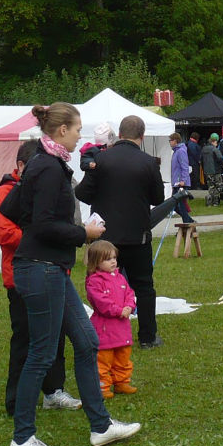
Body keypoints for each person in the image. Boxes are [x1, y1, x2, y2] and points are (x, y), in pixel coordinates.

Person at [6, 102, 139, 446]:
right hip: (41, 269)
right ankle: (22, 437)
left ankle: (101, 427)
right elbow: (45, 223)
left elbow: (13, 209)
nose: (82, 135)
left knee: (86, 341)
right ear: (61, 130)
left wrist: (43, 226)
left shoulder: (43, 163)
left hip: (51, 268)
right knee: (42, 353)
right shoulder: (47, 167)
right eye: (78, 129)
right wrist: (85, 233)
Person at [0, 140, 80, 416]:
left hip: (53, 270)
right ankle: (16, 401)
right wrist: (43, 236)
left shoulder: (44, 187)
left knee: (56, 336)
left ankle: (54, 390)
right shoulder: (5, 193)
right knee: (26, 340)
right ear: (21, 168)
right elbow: (5, 233)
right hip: (21, 276)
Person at [76, 115, 166, 350]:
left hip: (105, 237)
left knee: (100, 285)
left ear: (120, 133)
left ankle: (102, 333)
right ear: (142, 136)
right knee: (144, 286)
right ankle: (148, 336)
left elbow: (82, 193)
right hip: (138, 235)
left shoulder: (101, 160)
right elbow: (158, 198)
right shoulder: (148, 162)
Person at [84, 239, 138, 398]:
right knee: (104, 360)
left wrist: (129, 306)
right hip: (105, 328)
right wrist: (118, 310)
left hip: (122, 328)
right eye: (108, 259)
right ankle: (102, 387)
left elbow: (130, 293)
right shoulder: (94, 281)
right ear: (96, 262)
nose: (113, 261)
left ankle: (122, 382)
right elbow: (101, 302)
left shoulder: (120, 278)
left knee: (123, 356)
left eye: (114, 258)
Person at [167, 133, 195, 227]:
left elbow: (184, 166)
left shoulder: (181, 151)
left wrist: (183, 180)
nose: (169, 142)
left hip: (180, 183)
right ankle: (189, 221)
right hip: (176, 182)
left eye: (170, 140)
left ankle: (187, 224)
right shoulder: (175, 151)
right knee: (175, 205)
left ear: (175, 140)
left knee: (180, 205)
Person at [201, 133, 223, 207]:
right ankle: (215, 201)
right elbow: (220, 159)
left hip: (207, 171)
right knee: (219, 185)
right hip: (215, 170)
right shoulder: (215, 149)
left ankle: (209, 199)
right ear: (214, 141)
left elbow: (201, 160)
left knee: (211, 186)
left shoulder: (203, 149)